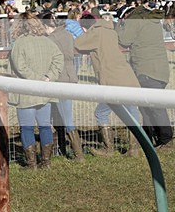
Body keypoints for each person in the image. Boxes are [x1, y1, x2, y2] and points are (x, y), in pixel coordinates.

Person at [74, 13, 142, 156]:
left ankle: (108, 149)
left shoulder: (96, 33)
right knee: (132, 112)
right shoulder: (110, 30)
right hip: (127, 76)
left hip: (113, 81)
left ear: (85, 27)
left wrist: (86, 33)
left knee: (101, 113)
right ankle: (134, 148)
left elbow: (78, 44)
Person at [9, 12, 64, 169]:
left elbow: (20, 66)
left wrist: (36, 79)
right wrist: (48, 77)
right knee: (45, 125)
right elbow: (58, 58)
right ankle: (46, 162)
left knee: (26, 127)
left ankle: (31, 163)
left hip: (26, 92)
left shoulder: (19, 43)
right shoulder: (47, 41)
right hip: (45, 90)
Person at [115, 4, 173, 150]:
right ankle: (151, 139)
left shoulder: (135, 21)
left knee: (154, 107)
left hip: (146, 69)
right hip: (159, 69)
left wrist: (120, 26)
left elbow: (123, 39)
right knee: (147, 107)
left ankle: (166, 140)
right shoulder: (150, 19)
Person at [41, 12, 83, 161]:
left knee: (67, 118)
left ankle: (78, 154)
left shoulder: (51, 39)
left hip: (60, 79)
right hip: (71, 76)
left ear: (46, 25)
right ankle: (66, 149)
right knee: (63, 115)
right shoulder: (66, 34)